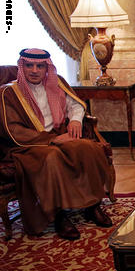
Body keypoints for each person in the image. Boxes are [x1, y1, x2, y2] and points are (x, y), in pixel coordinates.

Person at [0, 48, 113, 240]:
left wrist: (76, 120)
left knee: (88, 148)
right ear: (22, 66)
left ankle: (92, 206)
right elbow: (13, 131)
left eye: (40, 66)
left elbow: (75, 104)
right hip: (28, 146)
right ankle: (59, 215)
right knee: (52, 158)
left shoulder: (56, 82)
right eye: (29, 65)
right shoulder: (8, 92)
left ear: (47, 68)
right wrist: (51, 140)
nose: (34, 70)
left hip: (58, 137)